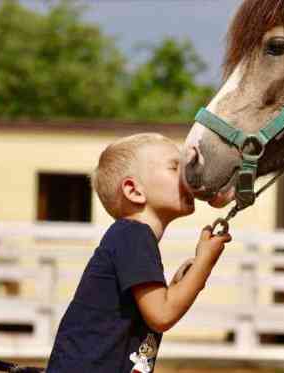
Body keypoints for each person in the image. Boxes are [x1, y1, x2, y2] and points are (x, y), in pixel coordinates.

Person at [46, 133, 231, 373]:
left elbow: (155, 307)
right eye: (175, 167)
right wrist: (204, 262)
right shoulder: (133, 236)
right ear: (134, 190)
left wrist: (176, 285)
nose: (187, 175)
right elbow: (162, 315)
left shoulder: (130, 237)